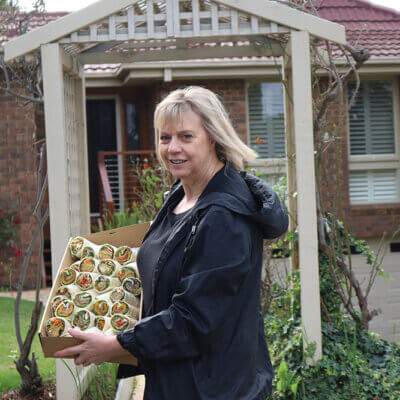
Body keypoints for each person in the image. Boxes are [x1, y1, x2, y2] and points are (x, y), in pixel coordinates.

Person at [55, 86, 289, 399]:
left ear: (213, 138)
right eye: (165, 138)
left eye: (186, 137)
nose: (172, 148)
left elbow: (195, 320)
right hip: (176, 377)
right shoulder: (182, 195)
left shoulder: (224, 217)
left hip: (214, 387)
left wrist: (117, 345)